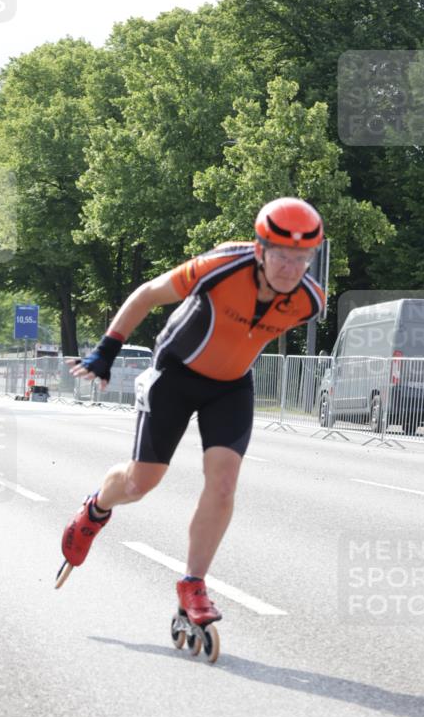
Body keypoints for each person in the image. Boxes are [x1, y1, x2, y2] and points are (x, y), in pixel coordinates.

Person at [57, 197, 326, 630]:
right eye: (281, 255)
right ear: (260, 250)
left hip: (232, 387)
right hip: (176, 376)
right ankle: (95, 510)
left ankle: (193, 583)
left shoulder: (310, 300)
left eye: (302, 258)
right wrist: (107, 349)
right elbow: (147, 294)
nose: (290, 268)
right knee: (139, 483)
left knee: (223, 484)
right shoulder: (220, 265)